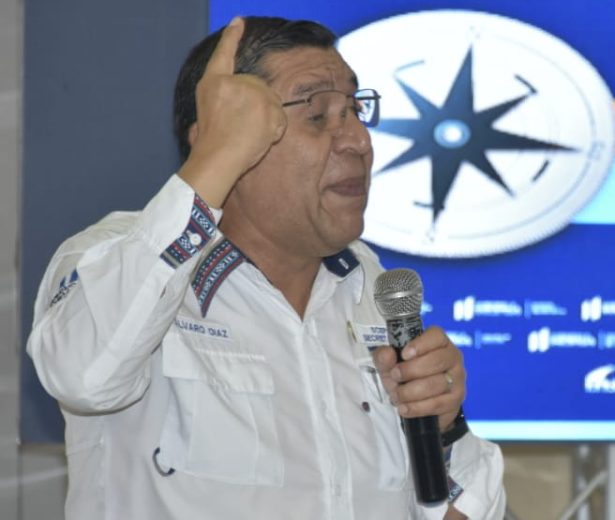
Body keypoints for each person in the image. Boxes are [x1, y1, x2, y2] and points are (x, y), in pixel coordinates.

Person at [26, 16, 505, 519]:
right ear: (220, 140)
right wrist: (212, 162)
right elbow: (83, 376)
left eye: (356, 110)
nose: (358, 141)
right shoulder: (117, 258)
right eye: (317, 114)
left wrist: (444, 427)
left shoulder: (369, 286)